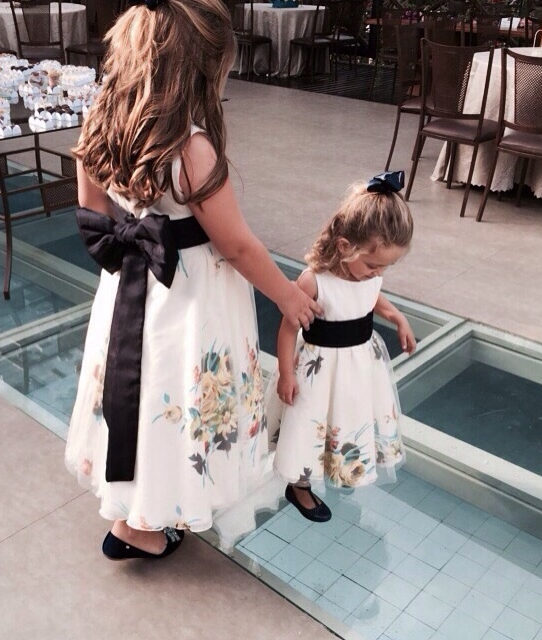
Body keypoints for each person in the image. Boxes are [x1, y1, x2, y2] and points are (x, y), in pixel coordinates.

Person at [65, 0, 322, 559]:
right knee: (178, 393)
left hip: (133, 283)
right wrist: (286, 296)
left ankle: (136, 511)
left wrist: (128, 245)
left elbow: (91, 210)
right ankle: (143, 528)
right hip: (189, 295)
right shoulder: (190, 145)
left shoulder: (99, 120)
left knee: (141, 392)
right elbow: (235, 244)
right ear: (200, 67)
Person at [266, 172, 416, 523]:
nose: (377, 273)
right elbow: (288, 329)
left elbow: (371, 295)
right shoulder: (315, 282)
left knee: (347, 419)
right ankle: (299, 486)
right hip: (319, 370)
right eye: (373, 265)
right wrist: (286, 374)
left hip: (358, 367)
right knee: (310, 425)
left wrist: (397, 316)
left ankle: (341, 465)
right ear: (345, 246)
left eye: (385, 267)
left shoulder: (369, 276)